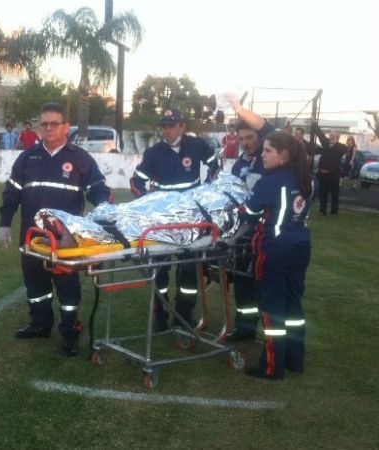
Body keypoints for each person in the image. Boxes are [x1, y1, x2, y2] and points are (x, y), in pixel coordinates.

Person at [0, 101, 112, 357]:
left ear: (66, 127)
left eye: (54, 124)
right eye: (44, 124)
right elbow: (11, 193)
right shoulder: (27, 157)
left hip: (65, 242)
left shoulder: (80, 159)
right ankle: (40, 324)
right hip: (32, 239)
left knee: (67, 289)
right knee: (36, 287)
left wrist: (105, 208)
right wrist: (4, 223)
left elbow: (98, 190)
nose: (48, 128)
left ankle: (70, 333)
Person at [129, 108, 219, 332]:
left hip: (191, 219)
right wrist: (150, 201)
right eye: (164, 126)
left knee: (189, 268)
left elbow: (216, 166)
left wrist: (206, 191)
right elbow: (136, 182)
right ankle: (161, 312)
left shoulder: (197, 145)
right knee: (159, 268)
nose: (167, 130)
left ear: (182, 126)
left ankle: (184, 314)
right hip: (163, 220)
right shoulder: (153, 153)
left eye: (171, 125)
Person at [242, 130, 314, 380]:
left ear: (282, 154)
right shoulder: (307, 178)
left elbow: (249, 212)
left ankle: (272, 366)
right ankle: (295, 360)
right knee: (293, 305)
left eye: (268, 150)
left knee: (272, 308)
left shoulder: (270, 181)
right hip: (300, 245)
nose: (262, 155)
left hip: (274, 248)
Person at [225, 95, 275, 342]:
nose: (245, 143)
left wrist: (239, 109)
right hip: (243, 231)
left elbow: (265, 126)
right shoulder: (238, 165)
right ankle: (245, 328)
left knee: (264, 282)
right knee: (243, 280)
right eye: (241, 138)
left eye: (250, 137)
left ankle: (273, 334)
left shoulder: (272, 160)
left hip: (268, 232)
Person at [309, 120, 347, 215]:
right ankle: (322, 210)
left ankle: (334, 211)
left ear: (337, 137)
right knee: (323, 193)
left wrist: (335, 143)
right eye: (330, 135)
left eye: (333, 135)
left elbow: (342, 150)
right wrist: (314, 123)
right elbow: (320, 134)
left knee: (334, 193)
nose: (330, 137)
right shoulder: (325, 143)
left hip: (333, 175)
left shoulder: (341, 147)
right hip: (322, 173)